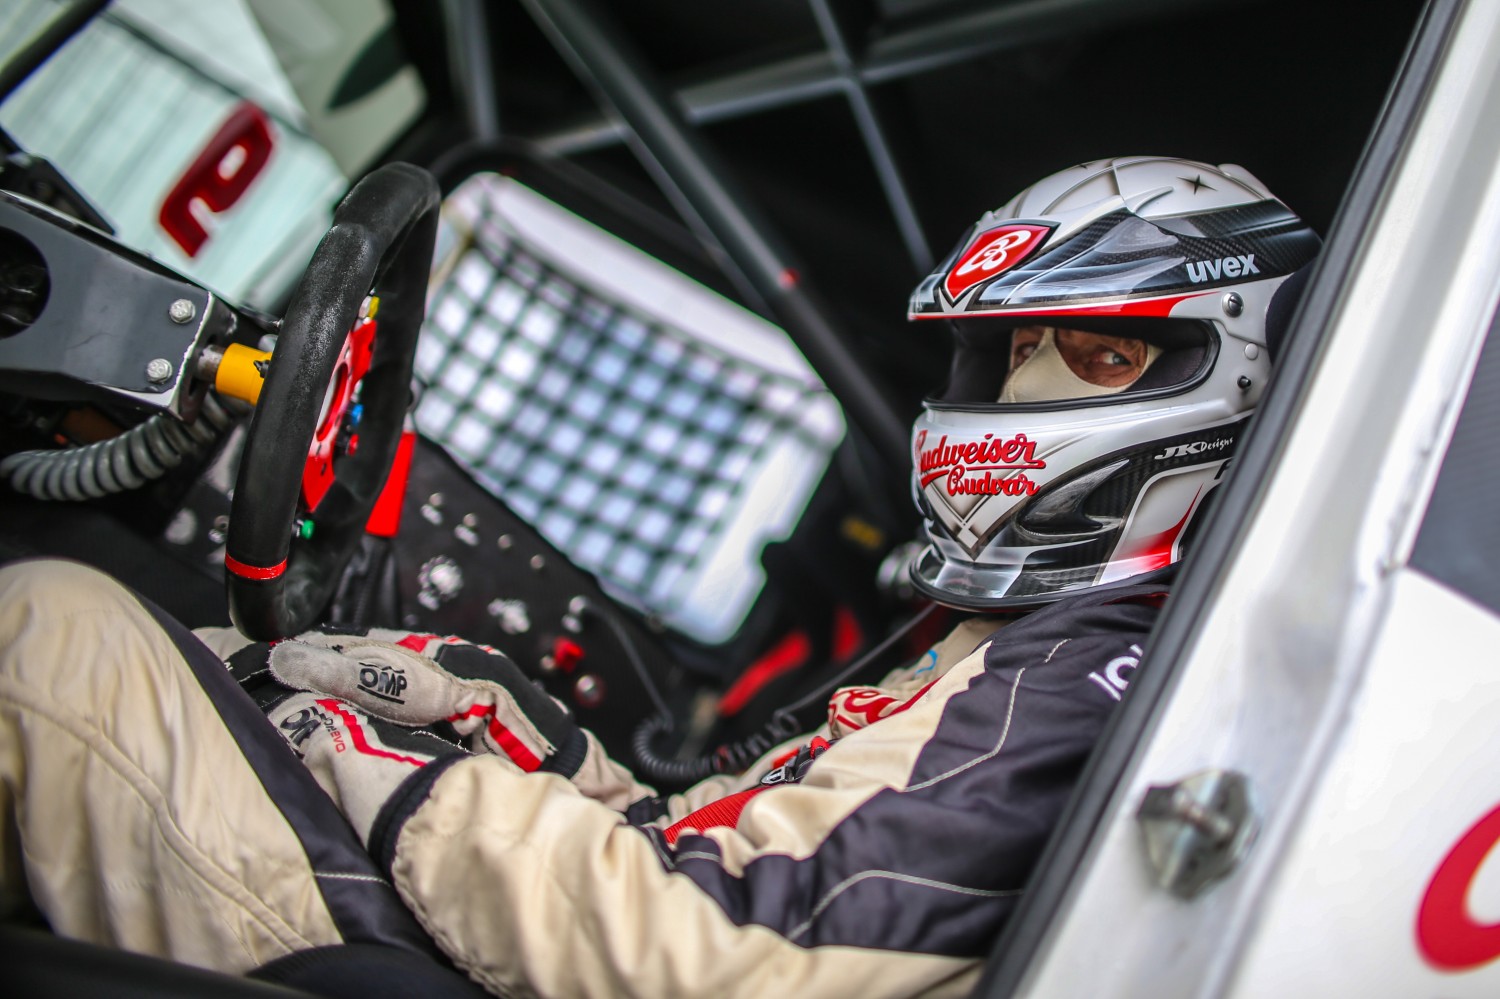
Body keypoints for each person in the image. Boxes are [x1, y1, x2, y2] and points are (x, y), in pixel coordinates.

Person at [0, 156, 1318, 998]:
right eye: (1009, 355)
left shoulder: (1080, 683)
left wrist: (363, 757)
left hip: (461, 966)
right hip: (512, 939)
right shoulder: (1020, 639)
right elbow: (711, 851)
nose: (1010, 398)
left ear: (1220, 372)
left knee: (53, 632)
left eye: (1086, 355)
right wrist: (503, 725)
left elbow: (714, 954)